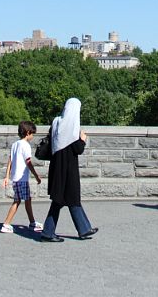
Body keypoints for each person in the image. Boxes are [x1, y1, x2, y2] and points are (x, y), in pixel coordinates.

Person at [39, 97, 98, 242]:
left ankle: (83, 228)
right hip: (69, 169)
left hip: (57, 168)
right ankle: (48, 232)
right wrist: (82, 139)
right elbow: (77, 149)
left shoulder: (56, 122)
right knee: (66, 199)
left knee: (63, 199)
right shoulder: (72, 127)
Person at [0, 120, 43, 234]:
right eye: (32, 133)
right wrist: (36, 175)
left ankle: (32, 222)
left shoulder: (15, 144)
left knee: (27, 199)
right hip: (22, 179)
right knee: (17, 201)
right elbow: (28, 162)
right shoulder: (26, 146)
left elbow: (10, 160)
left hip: (16, 178)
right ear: (28, 132)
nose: (33, 136)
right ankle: (6, 224)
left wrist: (7, 177)